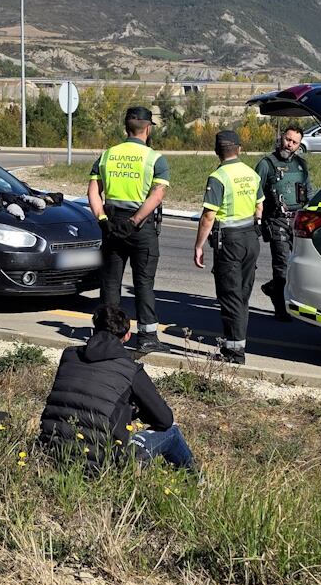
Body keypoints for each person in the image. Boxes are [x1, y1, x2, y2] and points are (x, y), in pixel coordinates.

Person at [38, 305, 195, 471]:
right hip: (102, 465)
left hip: (51, 453)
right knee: (171, 431)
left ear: (94, 329)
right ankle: (196, 482)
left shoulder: (70, 355)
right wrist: (136, 410)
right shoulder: (131, 370)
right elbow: (164, 419)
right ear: (127, 336)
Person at [88, 106, 170, 353]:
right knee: (143, 282)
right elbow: (157, 195)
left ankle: (108, 336)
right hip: (139, 226)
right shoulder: (155, 158)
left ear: (126, 127)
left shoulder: (107, 155)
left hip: (111, 224)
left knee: (111, 282)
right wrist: (134, 221)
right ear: (147, 128)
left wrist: (102, 219)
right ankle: (147, 337)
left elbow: (93, 191)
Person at [192, 130, 263, 364]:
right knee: (242, 294)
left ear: (216, 151)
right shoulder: (252, 174)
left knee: (229, 295)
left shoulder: (218, 177)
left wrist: (199, 246)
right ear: (239, 149)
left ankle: (234, 351)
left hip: (229, 241)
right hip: (251, 238)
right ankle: (239, 342)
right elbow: (259, 207)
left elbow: (208, 216)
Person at [255, 124, 313, 319]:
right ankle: (281, 309)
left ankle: (274, 288)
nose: (290, 145)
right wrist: (256, 219)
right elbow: (255, 194)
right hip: (276, 220)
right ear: (281, 138)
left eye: (294, 142)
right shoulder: (266, 164)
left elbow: (309, 192)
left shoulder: (301, 165)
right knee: (281, 264)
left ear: (299, 145)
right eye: (288, 139)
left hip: (297, 222)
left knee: (298, 265)